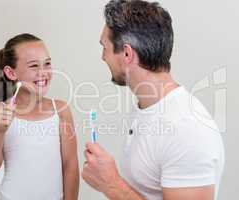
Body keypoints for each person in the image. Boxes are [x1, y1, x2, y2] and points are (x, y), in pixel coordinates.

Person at [82, 1, 225, 200]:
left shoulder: (186, 129)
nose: (102, 57)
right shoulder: (148, 107)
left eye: (104, 48)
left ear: (126, 54)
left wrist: (111, 184)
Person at [0, 33, 79, 200]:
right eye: (34, 66)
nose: (43, 72)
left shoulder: (61, 110)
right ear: (11, 73)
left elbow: (71, 166)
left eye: (47, 64)